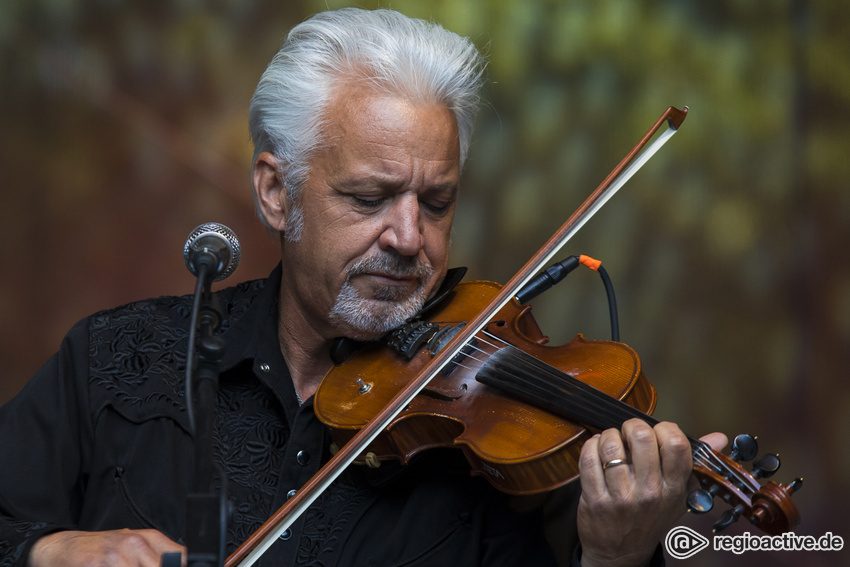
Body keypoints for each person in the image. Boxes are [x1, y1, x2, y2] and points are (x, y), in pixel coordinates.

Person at [0, 8, 725, 567]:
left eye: (435, 203)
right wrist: (46, 550)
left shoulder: (497, 459)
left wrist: (613, 555)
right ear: (278, 194)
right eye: (370, 197)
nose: (410, 239)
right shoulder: (117, 357)